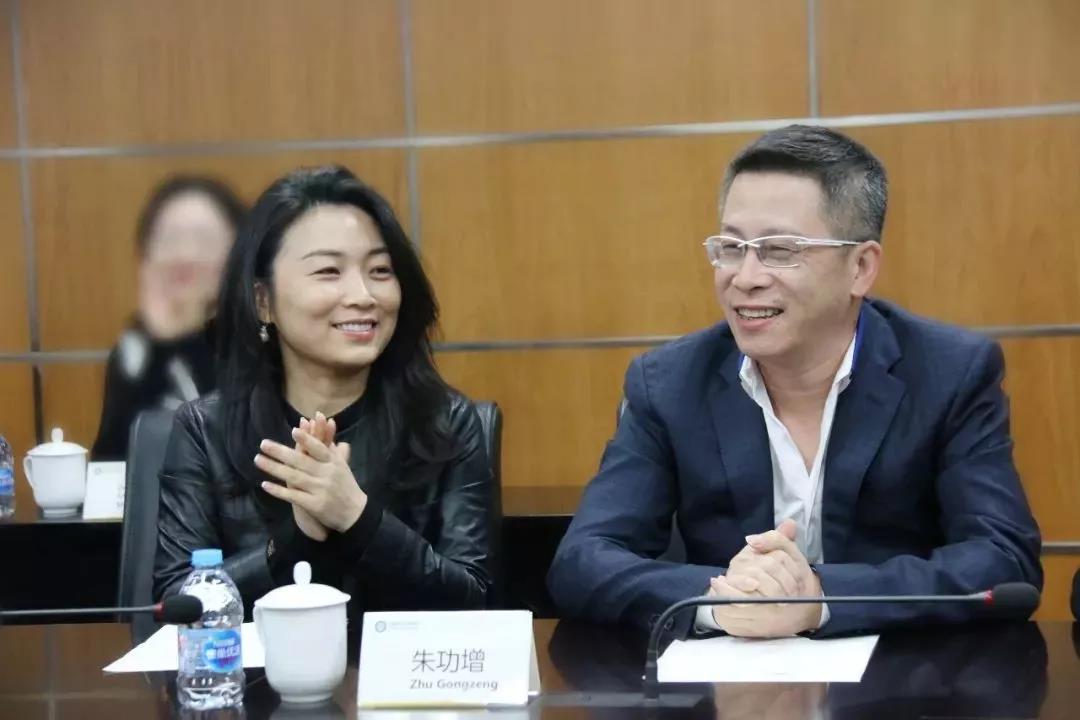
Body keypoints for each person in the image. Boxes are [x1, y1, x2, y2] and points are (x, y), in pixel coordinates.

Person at [547, 125, 1042, 639]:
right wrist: (720, 599)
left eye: (780, 250)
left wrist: (819, 599)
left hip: (899, 674)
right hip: (729, 673)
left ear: (861, 267)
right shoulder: (669, 383)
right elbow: (582, 562)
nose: (745, 277)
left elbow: (1004, 562)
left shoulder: (949, 372)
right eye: (732, 247)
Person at [153, 166, 496, 615]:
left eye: (380, 270)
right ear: (263, 301)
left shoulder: (446, 423)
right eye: (329, 271)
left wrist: (358, 517)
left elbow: (477, 600)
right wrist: (296, 538)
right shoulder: (205, 429)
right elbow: (178, 604)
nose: (363, 295)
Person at [92, 175, 245, 460]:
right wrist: (161, 346)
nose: (185, 254)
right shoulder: (135, 350)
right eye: (170, 239)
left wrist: (188, 341)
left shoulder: (259, 343)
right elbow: (110, 463)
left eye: (204, 240)